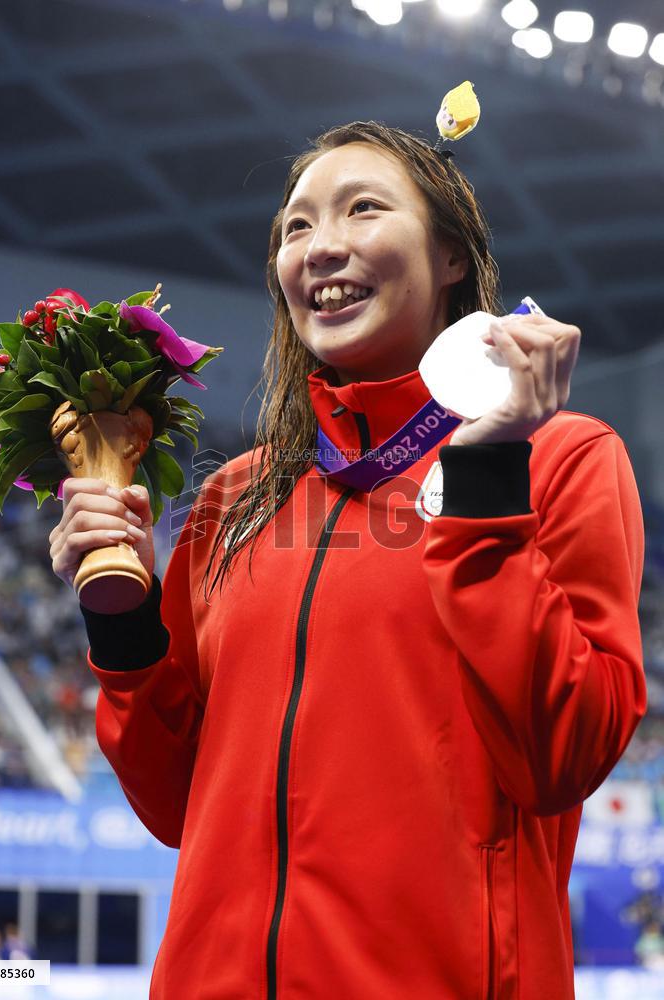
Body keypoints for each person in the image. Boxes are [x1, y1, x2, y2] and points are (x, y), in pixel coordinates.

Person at [49, 121, 646, 999]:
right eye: (295, 227)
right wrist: (124, 618)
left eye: (363, 209)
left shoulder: (563, 460)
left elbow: (563, 756)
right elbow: (178, 808)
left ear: (450, 256)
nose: (320, 246)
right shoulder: (234, 501)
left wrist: (484, 472)